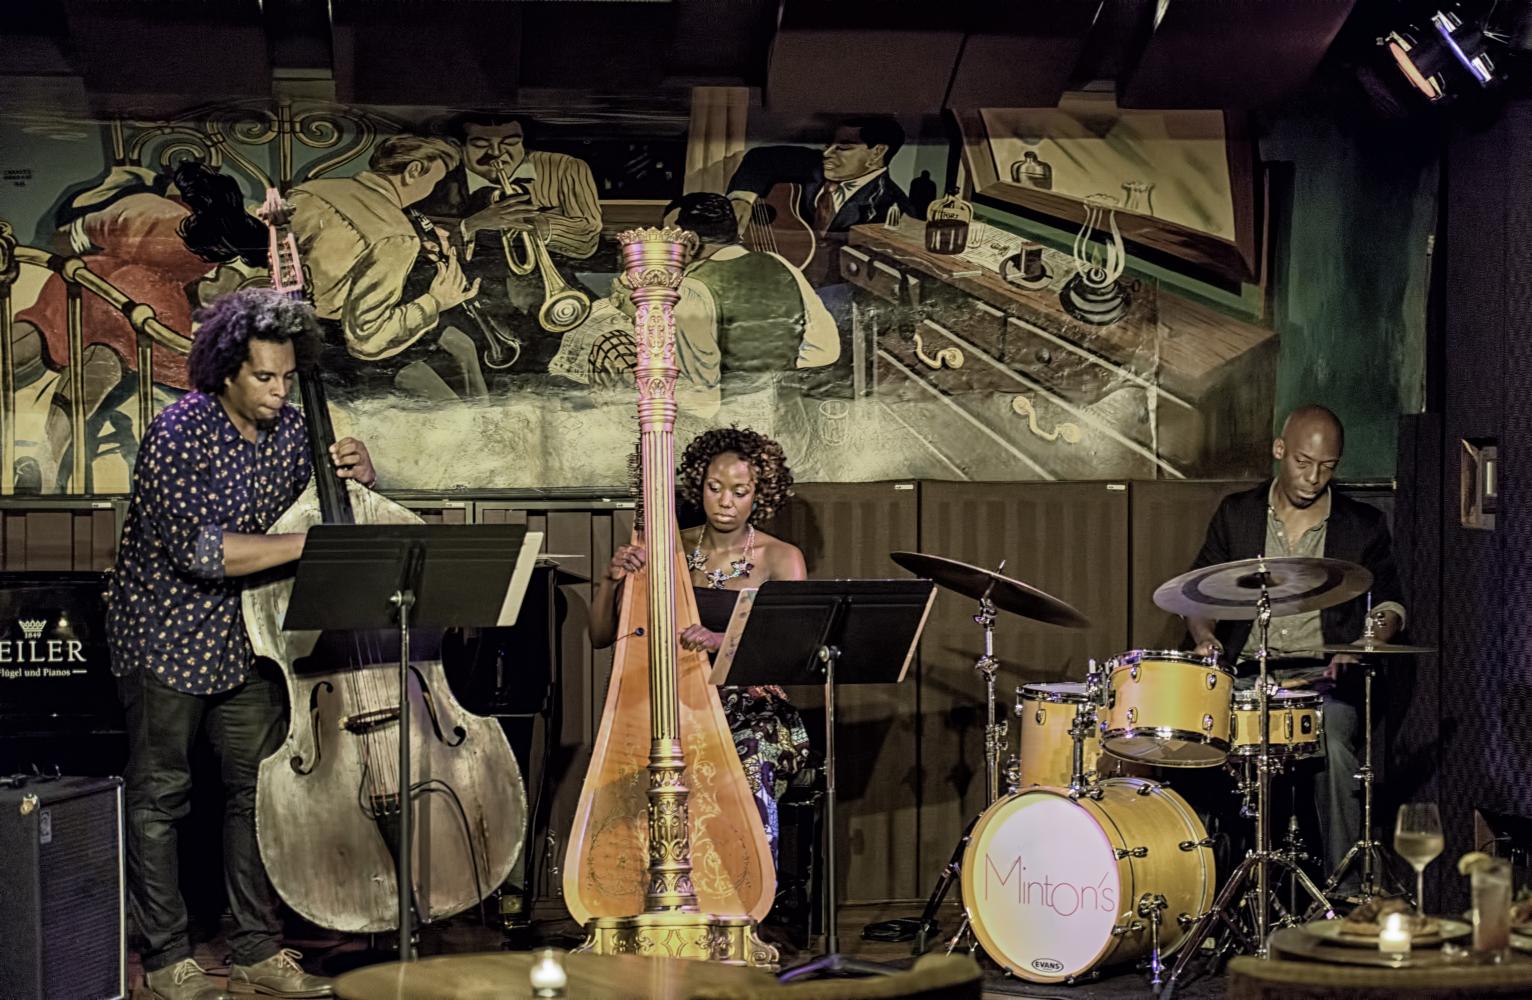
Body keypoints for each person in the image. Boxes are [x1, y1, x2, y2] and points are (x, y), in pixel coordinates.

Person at [106, 288, 377, 1000]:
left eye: (288, 377)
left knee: (256, 795)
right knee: (161, 796)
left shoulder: (292, 431)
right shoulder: (177, 432)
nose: (279, 390)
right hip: (165, 633)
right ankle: (166, 959)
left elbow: (327, 511)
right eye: (264, 377)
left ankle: (257, 948)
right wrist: (308, 542)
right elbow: (202, 552)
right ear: (225, 370)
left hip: (249, 637)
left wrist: (359, 476)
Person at [1184, 404, 1406, 893]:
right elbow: (1197, 592)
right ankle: (1210, 889)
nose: (1313, 477)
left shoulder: (1361, 525)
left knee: (1333, 742)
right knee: (1191, 736)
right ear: (1279, 451)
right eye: (1304, 462)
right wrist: (1204, 637)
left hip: (1321, 679)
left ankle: (1346, 892)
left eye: (1327, 467)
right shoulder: (1238, 514)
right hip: (1244, 674)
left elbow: (1390, 603)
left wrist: (1367, 640)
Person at [588, 427, 813, 864]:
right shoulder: (665, 547)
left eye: (739, 491)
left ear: (758, 494)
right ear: (700, 486)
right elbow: (599, 636)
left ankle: (747, 889)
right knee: (641, 750)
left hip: (749, 707)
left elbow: (791, 651)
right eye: (715, 488)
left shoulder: (780, 558)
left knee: (746, 754)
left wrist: (721, 641)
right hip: (675, 699)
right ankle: (654, 883)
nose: (725, 502)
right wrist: (610, 580)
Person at [287, 135, 483, 401]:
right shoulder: (395, 235)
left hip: (292, 326)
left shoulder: (311, 190)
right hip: (340, 349)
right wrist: (436, 301)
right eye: (435, 182)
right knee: (453, 412)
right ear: (414, 171)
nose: (432, 190)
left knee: (462, 347)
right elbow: (367, 339)